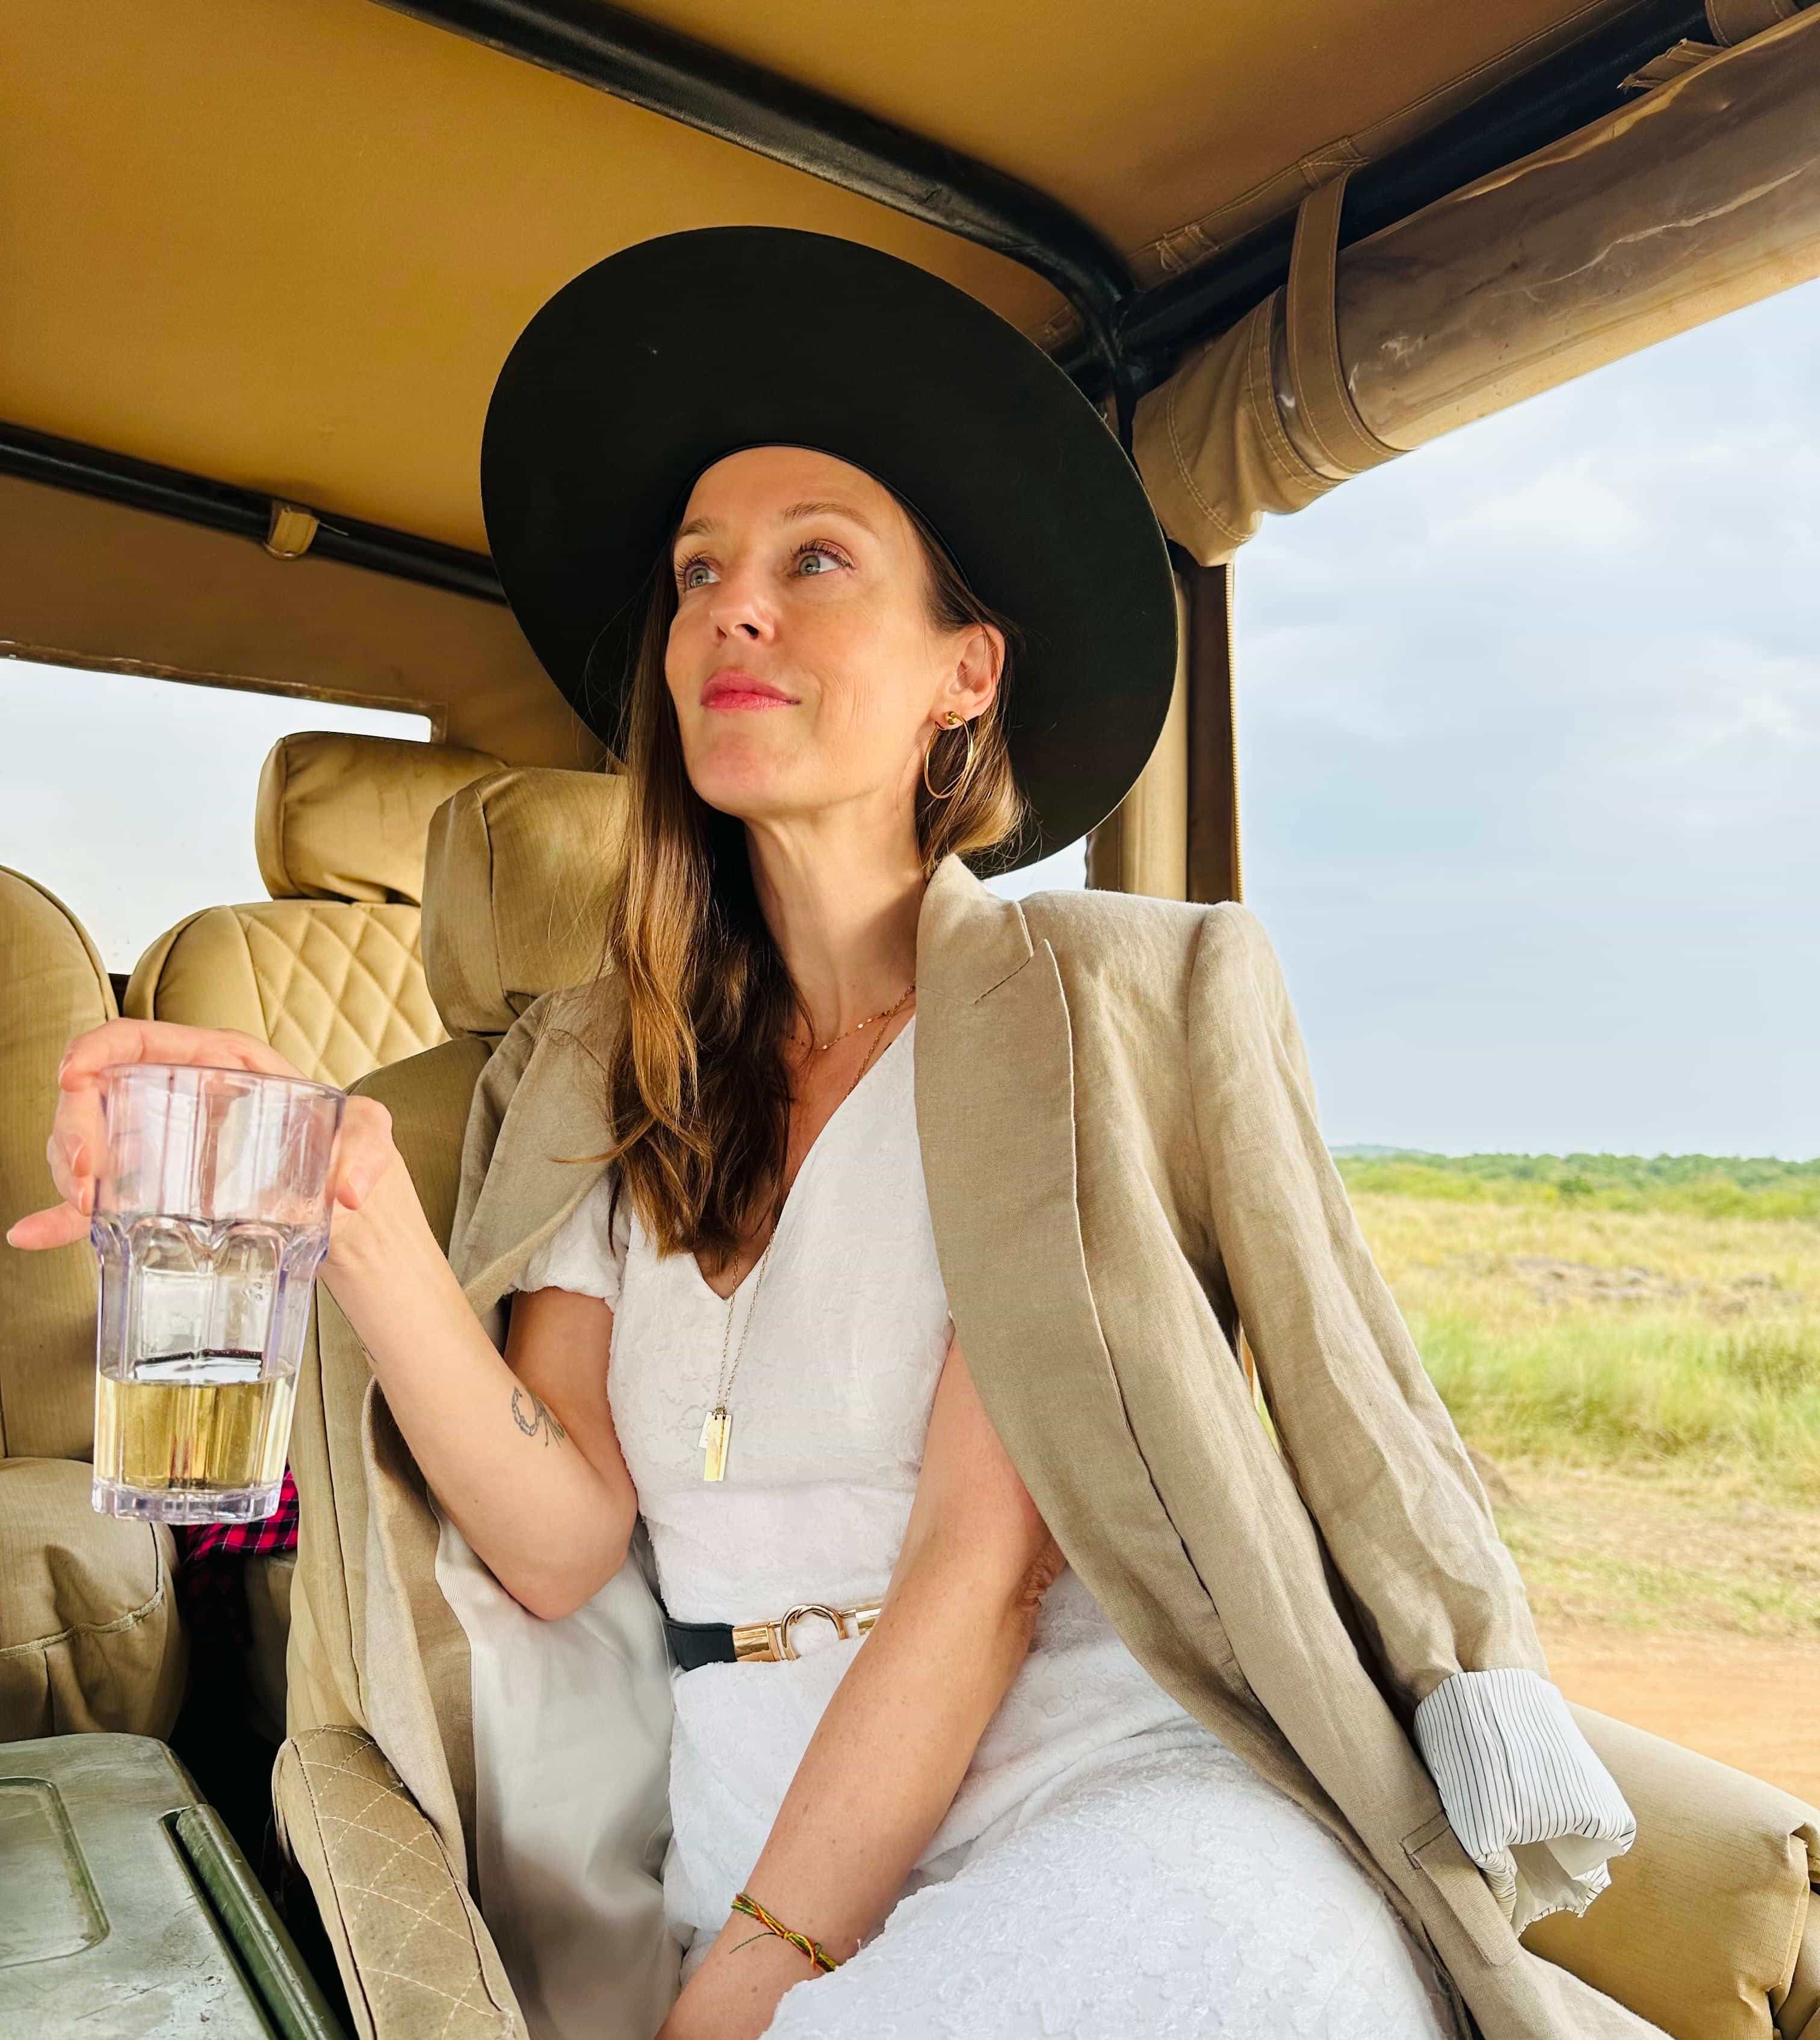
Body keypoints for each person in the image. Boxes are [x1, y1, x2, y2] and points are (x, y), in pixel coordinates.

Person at [13, 228, 1640, 2040]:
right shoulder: (598, 1081)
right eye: (699, 572)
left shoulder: (1070, 1032)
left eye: (815, 559)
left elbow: (981, 1575)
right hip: (747, 1803)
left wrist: (752, 1982)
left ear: (966, 673)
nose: (734, 608)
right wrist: (362, 1212)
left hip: (1094, 1785)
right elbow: (559, 1542)